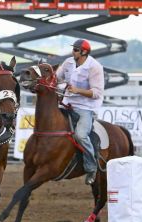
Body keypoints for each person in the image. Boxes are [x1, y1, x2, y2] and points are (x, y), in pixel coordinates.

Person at [56, 39, 104, 185]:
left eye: (76, 49)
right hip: (66, 104)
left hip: (85, 108)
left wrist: (78, 91)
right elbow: (56, 78)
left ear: (84, 52)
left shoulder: (95, 67)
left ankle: (91, 167)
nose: (73, 52)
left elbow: (96, 93)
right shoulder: (68, 63)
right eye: (74, 49)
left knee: (81, 135)